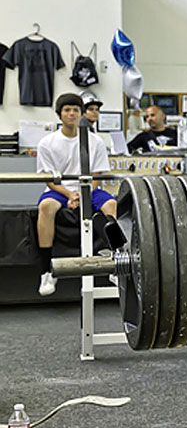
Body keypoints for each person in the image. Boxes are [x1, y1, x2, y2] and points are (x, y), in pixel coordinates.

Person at [36, 93, 117, 296]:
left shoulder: (96, 142)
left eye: (75, 110)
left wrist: (83, 194)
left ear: (81, 113)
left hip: (88, 189)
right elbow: (48, 178)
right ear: (59, 114)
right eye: (67, 110)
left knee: (111, 205)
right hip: (60, 190)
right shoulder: (47, 142)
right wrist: (70, 194)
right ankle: (46, 271)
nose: (71, 113)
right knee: (45, 207)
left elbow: (97, 173)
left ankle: (117, 263)